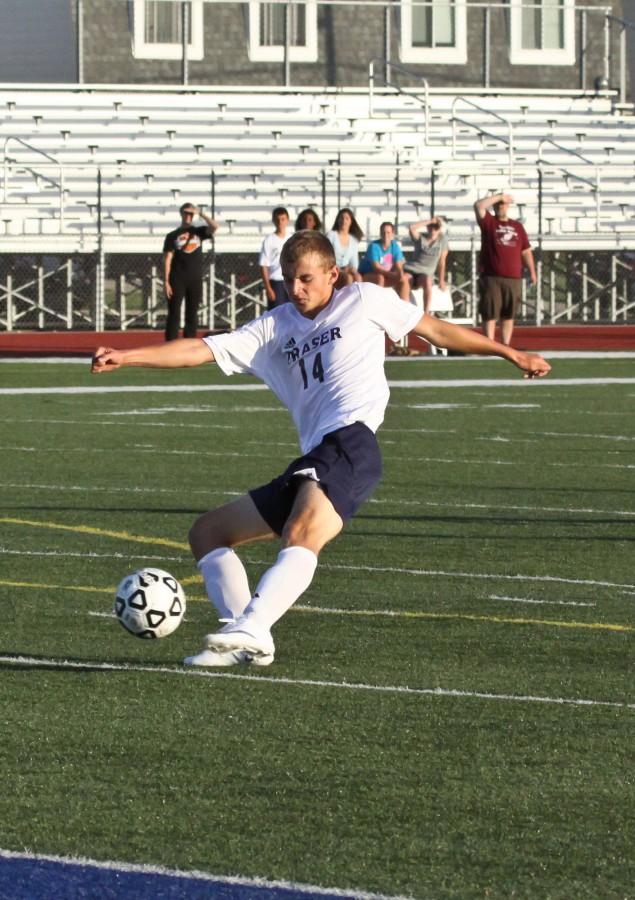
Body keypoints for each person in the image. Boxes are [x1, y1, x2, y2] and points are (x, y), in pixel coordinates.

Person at [91, 231, 551, 669]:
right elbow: (201, 350)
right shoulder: (275, 326)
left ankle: (256, 626)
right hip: (315, 454)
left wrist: (511, 354)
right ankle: (240, 635)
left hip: (352, 442)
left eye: (306, 278)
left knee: (302, 531)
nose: (295, 287)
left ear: (333, 274)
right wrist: (128, 356)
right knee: (208, 533)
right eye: (288, 277)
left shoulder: (364, 300)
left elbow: (437, 330)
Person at [474, 192, 537, 346]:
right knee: (490, 312)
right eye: (498, 204)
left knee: (508, 314)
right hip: (492, 276)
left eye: (503, 204)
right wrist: (500, 196)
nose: (501, 207)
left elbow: (525, 251)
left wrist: (532, 271)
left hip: (513, 276)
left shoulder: (517, 226)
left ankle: (505, 344)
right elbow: (479, 206)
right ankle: (489, 344)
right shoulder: (489, 223)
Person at [162, 203, 219, 341]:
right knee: (174, 312)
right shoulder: (172, 235)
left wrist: (200, 213)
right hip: (177, 277)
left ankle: (189, 343)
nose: (188, 216)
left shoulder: (199, 232)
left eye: (190, 214)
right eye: (185, 213)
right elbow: (167, 258)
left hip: (194, 278)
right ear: (181, 214)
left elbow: (215, 226)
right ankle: (171, 343)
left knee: (192, 313)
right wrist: (166, 281)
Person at [404, 216, 449, 315]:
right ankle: (406, 310)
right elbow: (412, 227)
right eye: (430, 227)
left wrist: (441, 280)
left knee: (428, 281)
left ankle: (426, 313)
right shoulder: (421, 238)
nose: (433, 230)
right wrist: (430, 221)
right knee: (406, 278)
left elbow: (442, 262)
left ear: (439, 229)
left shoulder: (442, 241)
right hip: (411, 269)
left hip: (425, 274)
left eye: (436, 227)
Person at [358, 221, 411, 301]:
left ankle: (405, 304)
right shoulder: (374, 246)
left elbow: (398, 265)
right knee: (380, 278)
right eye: (383, 232)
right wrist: (393, 275)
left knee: (404, 278)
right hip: (367, 275)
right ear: (380, 233)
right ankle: (378, 304)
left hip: (386, 275)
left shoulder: (395, 246)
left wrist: (399, 274)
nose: (386, 235)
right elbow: (376, 268)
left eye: (388, 232)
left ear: (393, 234)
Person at [259, 207, 292, 310]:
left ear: (287, 220)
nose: (280, 222)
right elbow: (264, 265)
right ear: (273, 220)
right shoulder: (269, 240)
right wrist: (268, 288)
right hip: (276, 281)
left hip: (291, 280)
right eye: (277, 219)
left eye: (283, 219)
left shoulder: (292, 239)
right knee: (277, 312)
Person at [326, 207, 363, 288]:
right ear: (338, 220)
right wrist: (339, 268)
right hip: (332, 269)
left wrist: (352, 269)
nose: (344, 220)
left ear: (351, 221)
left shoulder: (354, 240)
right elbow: (326, 255)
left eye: (347, 218)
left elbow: (354, 262)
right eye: (341, 218)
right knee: (348, 278)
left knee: (358, 278)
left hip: (346, 269)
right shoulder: (331, 235)